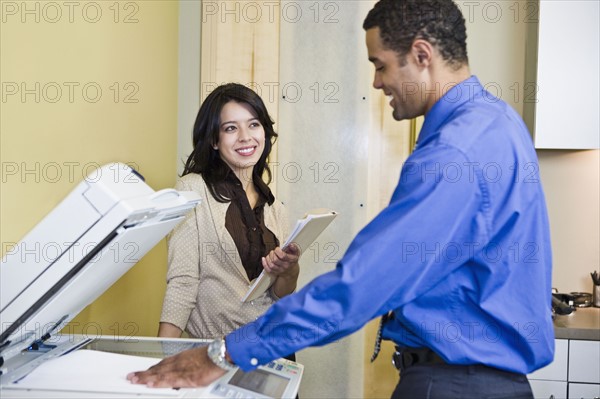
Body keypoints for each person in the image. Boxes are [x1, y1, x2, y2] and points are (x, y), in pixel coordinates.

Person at [128, 1, 554, 397]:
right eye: (230, 128)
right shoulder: (499, 123)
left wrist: (222, 353)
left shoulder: (455, 152)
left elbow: (362, 285)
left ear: (422, 55)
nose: (376, 81)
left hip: (455, 383)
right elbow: (183, 283)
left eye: (380, 65)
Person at [157, 83, 301, 342]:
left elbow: (280, 295)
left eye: (254, 124)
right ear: (214, 139)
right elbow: (182, 282)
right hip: (216, 354)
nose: (246, 137)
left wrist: (290, 270)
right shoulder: (192, 190)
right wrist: (161, 358)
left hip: (273, 345)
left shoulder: (274, 206)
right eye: (231, 128)